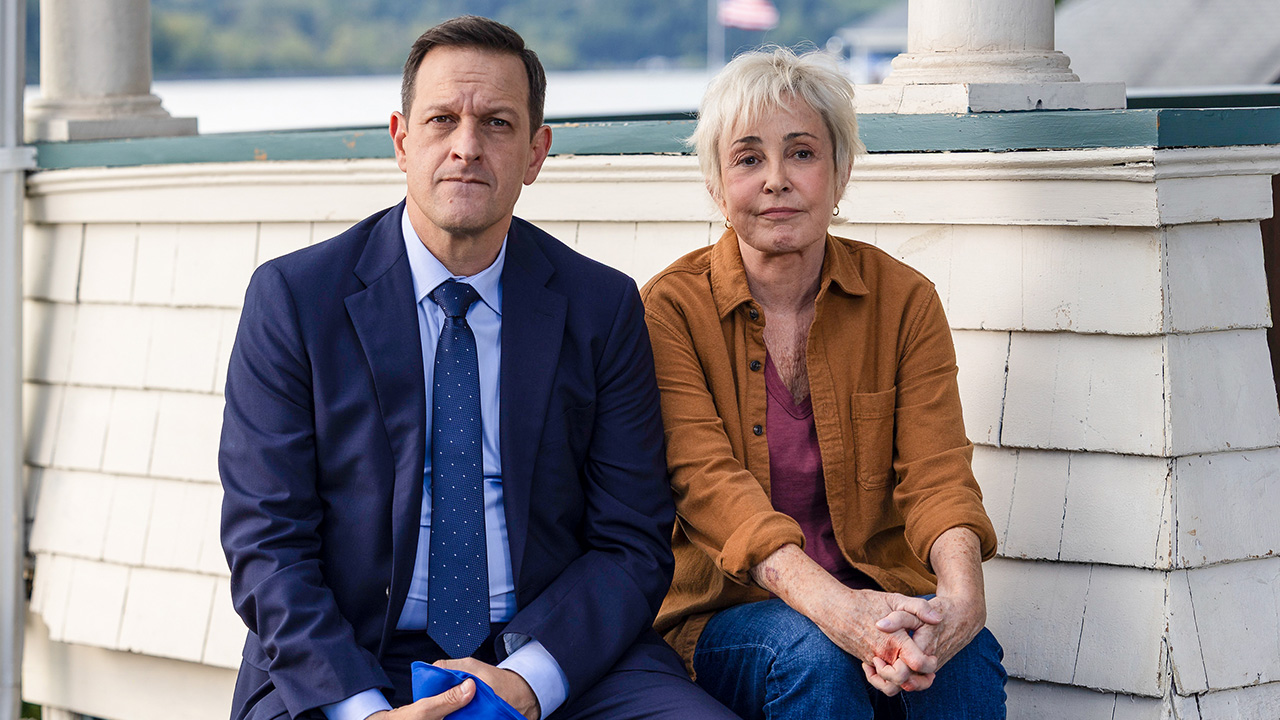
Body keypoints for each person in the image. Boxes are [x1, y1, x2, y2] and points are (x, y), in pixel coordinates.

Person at [219, 16, 736, 720]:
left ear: (535, 152)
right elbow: (267, 545)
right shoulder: (296, 302)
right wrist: (363, 710)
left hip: (555, 652)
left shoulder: (600, 306)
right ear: (402, 140)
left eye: (496, 123)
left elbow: (631, 543)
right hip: (348, 656)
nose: (466, 147)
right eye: (442, 120)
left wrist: (528, 678)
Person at [640, 46, 1008, 719]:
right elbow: (708, 486)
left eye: (802, 153)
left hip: (878, 590)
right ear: (718, 188)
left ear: (839, 174)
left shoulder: (904, 301)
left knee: (966, 658)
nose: (777, 180)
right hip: (730, 616)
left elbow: (937, 474)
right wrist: (839, 611)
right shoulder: (670, 309)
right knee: (814, 653)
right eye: (748, 158)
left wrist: (960, 602)